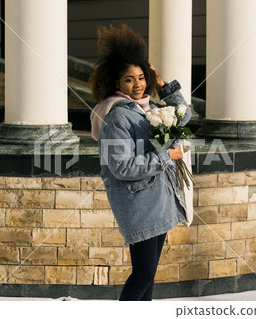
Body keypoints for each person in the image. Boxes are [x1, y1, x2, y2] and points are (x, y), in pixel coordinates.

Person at [89, 24, 192, 301]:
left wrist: (162, 85)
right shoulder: (117, 118)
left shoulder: (150, 109)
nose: (138, 85)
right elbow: (121, 167)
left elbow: (183, 117)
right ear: (116, 84)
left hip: (158, 200)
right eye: (128, 80)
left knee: (148, 275)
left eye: (141, 77)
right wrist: (165, 156)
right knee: (142, 275)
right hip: (139, 204)